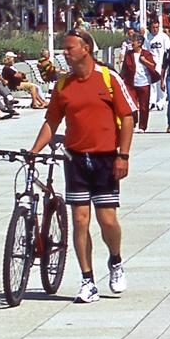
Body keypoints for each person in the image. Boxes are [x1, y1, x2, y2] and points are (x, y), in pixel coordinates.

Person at [29, 29, 137, 302]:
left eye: (70, 48)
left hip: (105, 158)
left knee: (107, 220)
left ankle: (115, 260)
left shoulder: (108, 78)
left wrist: (123, 156)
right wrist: (34, 150)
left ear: (86, 48)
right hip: (76, 158)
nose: (65, 52)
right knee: (80, 220)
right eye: (65, 48)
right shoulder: (63, 85)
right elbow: (52, 121)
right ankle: (87, 280)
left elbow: (127, 117)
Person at [130, 18, 164, 131]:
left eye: (133, 42)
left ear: (139, 43)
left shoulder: (146, 54)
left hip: (145, 82)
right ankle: (134, 123)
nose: (131, 44)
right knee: (133, 105)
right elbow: (125, 69)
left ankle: (143, 126)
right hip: (132, 83)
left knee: (144, 106)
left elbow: (152, 64)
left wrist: (145, 61)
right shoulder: (129, 54)